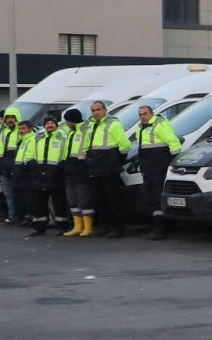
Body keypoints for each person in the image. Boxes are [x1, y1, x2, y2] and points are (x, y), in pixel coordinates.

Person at [80, 97, 133, 238]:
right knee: (99, 199)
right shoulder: (90, 125)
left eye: (98, 109)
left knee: (113, 199)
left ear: (105, 110)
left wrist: (117, 160)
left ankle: (118, 228)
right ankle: (105, 226)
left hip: (109, 166)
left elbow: (125, 145)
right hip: (95, 165)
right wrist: (86, 159)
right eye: (93, 110)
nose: (96, 112)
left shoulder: (113, 124)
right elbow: (86, 145)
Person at [132, 104, 182, 239]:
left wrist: (171, 164)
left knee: (157, 197)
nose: (142, 116)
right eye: (140, 114)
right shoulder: (140, 128)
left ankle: (160, 230)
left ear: (152, 113)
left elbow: (174, 143)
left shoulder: (159, 124)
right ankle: (156, 228)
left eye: (145, 114)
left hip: (159, 167)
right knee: (151, 198)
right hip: (148, 168)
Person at [56, 108, 98, 237]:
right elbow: (67, 149)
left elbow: (87, 147)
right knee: (72, 199)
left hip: (81, 168)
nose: (66, 123)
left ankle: (88, 227)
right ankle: (77, 226)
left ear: (71, 121)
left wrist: (85, 162)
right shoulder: (70, 132)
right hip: (70, 167)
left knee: (83, 198)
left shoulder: (85, 130)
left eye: (67, 121)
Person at [26, 114, 68, 236]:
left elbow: (66, 153)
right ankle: (39, 228)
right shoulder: (36, 138)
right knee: (39, 204)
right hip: (39, 174)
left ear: (56, 125)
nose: (50, 125)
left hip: (56, 174)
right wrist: (31, 162)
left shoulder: (62, 138)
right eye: (47, 123)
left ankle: (62, 227)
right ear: (44, 125)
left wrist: (61, 165)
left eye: (52, 123)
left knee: (59, 203)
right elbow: (29, 152)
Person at [0, 109, 25, 225]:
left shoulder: (21, 130)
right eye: (8, 117)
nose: (10, 120)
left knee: (17, 192)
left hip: (15, 165)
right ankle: (12, 216)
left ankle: (19, 216)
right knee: (8, 193)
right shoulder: (2, 131)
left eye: (12, 117)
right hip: (3, 165)